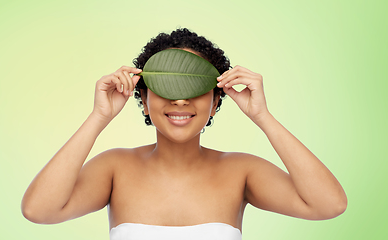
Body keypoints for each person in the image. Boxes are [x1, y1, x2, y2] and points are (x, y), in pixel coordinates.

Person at [21, 28, 347, 240]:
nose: (179, 100)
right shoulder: (114, 168)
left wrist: (262, 116)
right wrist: (99, 116)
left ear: (217, 101)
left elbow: (328, 204)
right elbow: (39, 210)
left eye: (194, 88)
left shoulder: (242, 171)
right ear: (144, 101)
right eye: (166, 89)